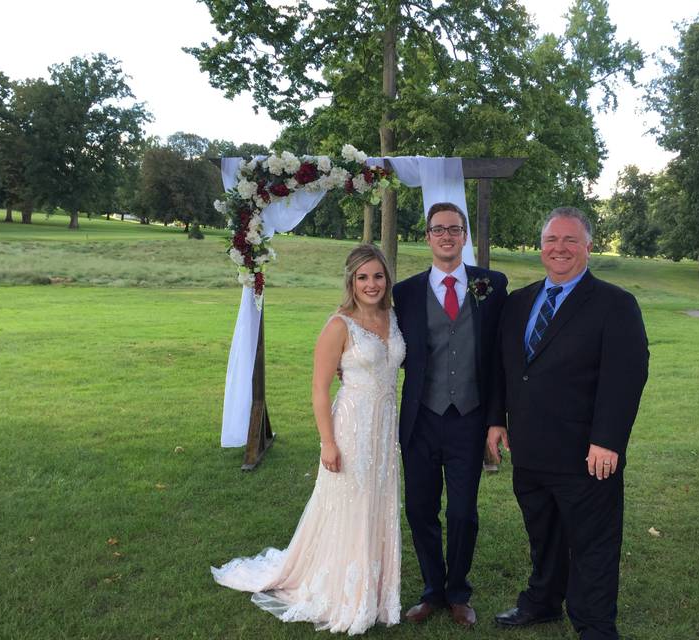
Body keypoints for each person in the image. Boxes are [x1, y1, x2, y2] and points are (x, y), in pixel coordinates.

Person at [211, 244, 406, 635]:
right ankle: (342, 592)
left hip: (384, 430)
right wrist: (328, 443)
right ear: (351, 281)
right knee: (348, 505)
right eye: (363, 277)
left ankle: (377, 590)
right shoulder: (339, 324)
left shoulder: (393, 317)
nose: (371, 284)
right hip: (350, 429)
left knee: (377, 502)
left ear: (387, 279)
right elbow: (319, 389)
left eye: (378, 276)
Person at [487, 207, 648, 640]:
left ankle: (594, 625)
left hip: (586, 455)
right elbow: (504, 367)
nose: (560, 249)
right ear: (541, 248)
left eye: (570, 240)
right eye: (552, 241)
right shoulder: (519, 302)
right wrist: (496, 420)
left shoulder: (615, 304)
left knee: (593, 546)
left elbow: (626, 375)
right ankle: (541, 603)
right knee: (544, 536)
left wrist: (608, 440)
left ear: (588, 247)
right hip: (531, 450)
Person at [392, 202, 508, 627]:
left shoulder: (492, 285)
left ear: (464, 237)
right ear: (427, 237)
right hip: (421, 418)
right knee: (420, 509)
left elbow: (499, 358)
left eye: (454, 229)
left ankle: (458, 591)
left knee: (462, 511)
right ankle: (432, 591)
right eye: (438, 230)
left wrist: (497, 418)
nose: (446, 236)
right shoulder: (404, 292)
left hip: (469, 418)